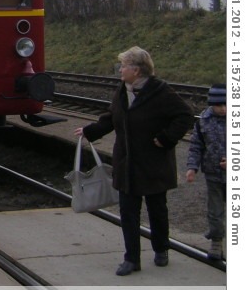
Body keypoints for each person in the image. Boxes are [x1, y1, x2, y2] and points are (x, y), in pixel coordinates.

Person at [75, 46, 194, 276]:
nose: (120, 70)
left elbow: (185, 116)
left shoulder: (160, 91)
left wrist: (166, 138)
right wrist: (90, 131)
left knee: (157, 209)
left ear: (137, 70)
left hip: (153, 163)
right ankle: (131, 259)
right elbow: (112, 117)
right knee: (128, 213)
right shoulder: (122, 90)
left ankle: (161, 249)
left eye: (123, 66)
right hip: (126, 163)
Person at [187, 83, 227, 260]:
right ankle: (216, 241)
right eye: (219, 105)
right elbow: (196, 146)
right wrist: (192, 167)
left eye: (226, 104)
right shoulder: (204, 121)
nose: (223, 108)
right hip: (213, 174)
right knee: (215, 211)